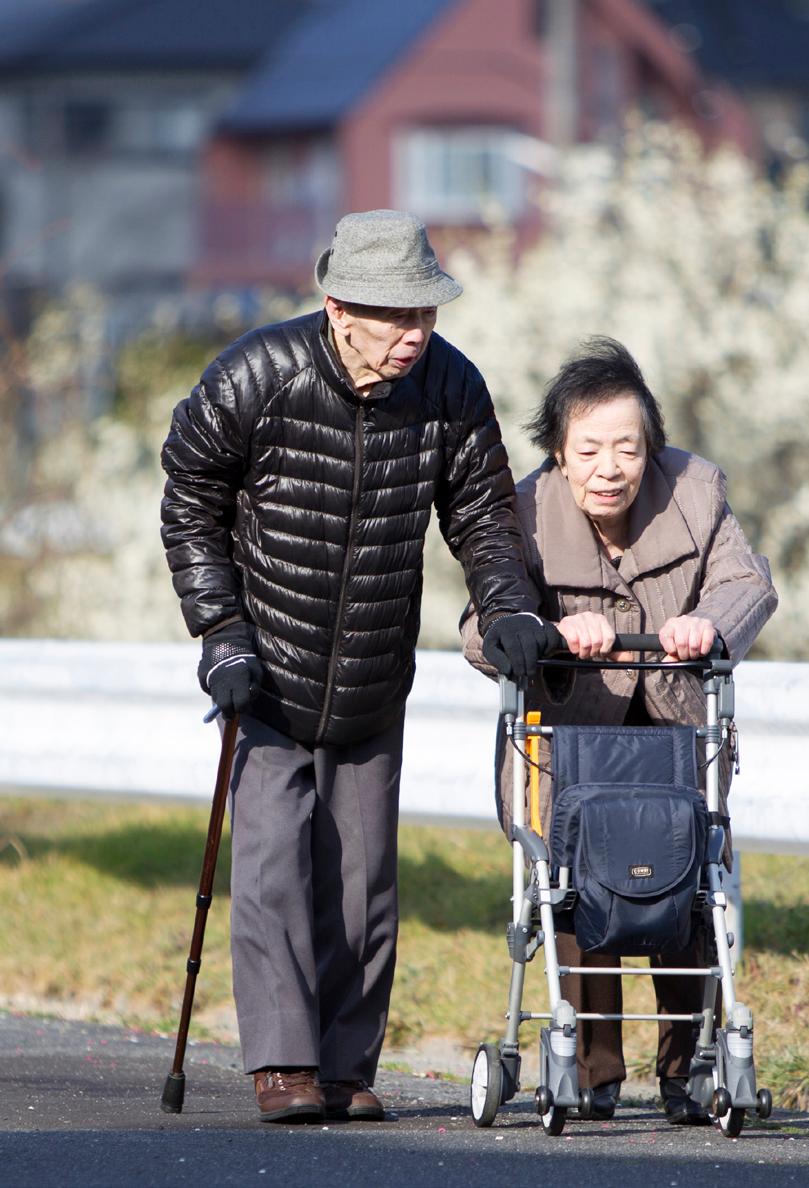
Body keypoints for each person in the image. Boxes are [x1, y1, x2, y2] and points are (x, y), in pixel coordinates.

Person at [160, 209, 559, 1124]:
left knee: (364, 881)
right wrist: (220, 631)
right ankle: (283, 1063)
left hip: (376, 668)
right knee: (272, 866)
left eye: (425, 314)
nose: (414, 334)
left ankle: (344, 1065)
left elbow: (483, 515)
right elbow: (189, 496)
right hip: (265, 671)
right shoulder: (256, 374)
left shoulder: (451, 386)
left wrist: (507, 607)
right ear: (338, 308)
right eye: (395, 316)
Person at [461, 336, 777, 1124]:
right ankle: (592, 1066)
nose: (610, 467)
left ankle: (689, 1066)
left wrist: (708, 623)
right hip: (571, 737)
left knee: (686, 884)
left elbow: (747, 582)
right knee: (578, 881)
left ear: (651, 448)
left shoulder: (696, 492)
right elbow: (478, 628)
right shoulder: (524, 511)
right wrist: (548, 631)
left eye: (627, 448)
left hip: (675, 732)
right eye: (589, 449)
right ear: (559, 452)